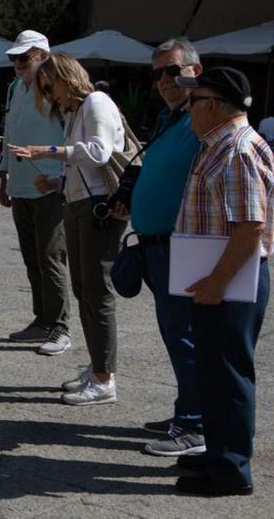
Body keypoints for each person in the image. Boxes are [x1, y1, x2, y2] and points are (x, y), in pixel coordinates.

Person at [172, 67, 274, 497]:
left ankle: (232, 471)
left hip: (230, 281)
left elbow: (249, 227)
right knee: (213, 374)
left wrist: (217, 282)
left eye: (193, 100)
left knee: (229, 375)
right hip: (217, 278)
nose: (188, 109)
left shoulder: (235, 149)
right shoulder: (218, 144)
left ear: (212, 105)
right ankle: (219, 452)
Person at [11, 53, 127, 406]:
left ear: (65, 76)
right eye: (44, 91)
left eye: (50, 87)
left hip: (98, 209)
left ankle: (105, 379)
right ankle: (97, 369)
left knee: (96, 292)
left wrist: (48, 151)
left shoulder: (95, 102)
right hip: (79, 205)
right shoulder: (76, 111)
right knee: (84, 289)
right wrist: (58, 181)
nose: (49, 96)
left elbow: (99, 152)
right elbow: (83, 164)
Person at [117, 37, 205, 457]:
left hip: (182, 245)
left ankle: (195, 424)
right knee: (176, 335)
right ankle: (187, 408)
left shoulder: (204, 117)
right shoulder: (170, 118)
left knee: (187, 336)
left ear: (194, 71)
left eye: (173, 71)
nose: (165, 81)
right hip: (156, 246)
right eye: (157, 74)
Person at [0, 30, 73, 355]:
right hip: (22, 184)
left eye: (24, 58)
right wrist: (3, 176)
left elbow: (71, 137)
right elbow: (9, 133)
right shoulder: (16, 88)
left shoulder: (54, 90)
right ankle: (42, 319)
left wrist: (61, 177)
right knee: (32, 257)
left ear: (43, 55)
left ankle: (60, 327)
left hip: (50, 185)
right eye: (15, 59)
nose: (17, 64)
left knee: (50, 256)